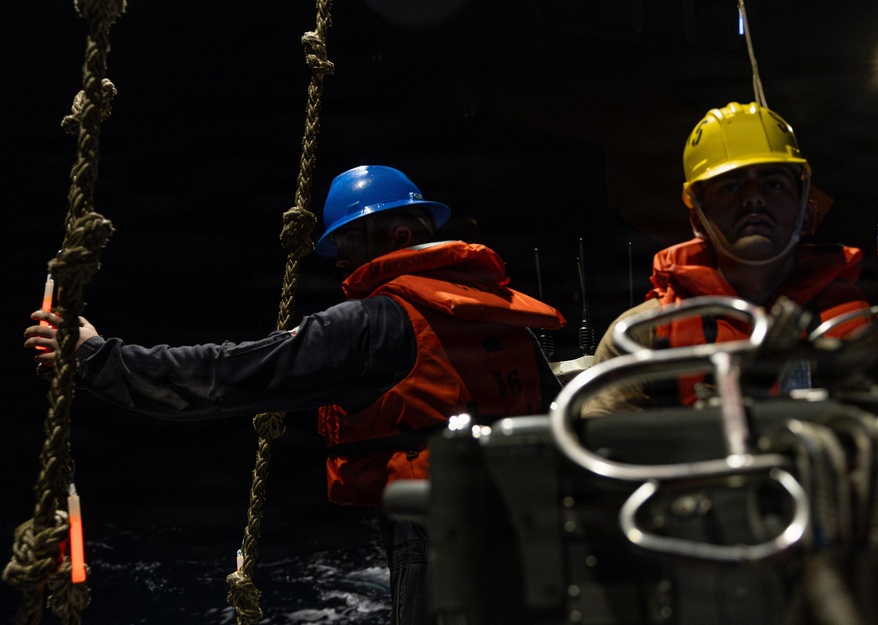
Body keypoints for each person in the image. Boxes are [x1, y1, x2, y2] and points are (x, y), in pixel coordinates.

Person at [24, 164, 566, 625]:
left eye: (347, 241)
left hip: (441, 536)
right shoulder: (504, 315)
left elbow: (229, 374)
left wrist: (96, 356)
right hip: (530, 529)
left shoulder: (372, 322)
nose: (337, 260)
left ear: (396, 238)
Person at [584, 102, 871, 414]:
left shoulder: (859, 327)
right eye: (730, 186)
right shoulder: (639, 337)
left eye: (773, 183)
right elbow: (601, 448)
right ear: (697, 220)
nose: (753, 198)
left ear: (807, 214)